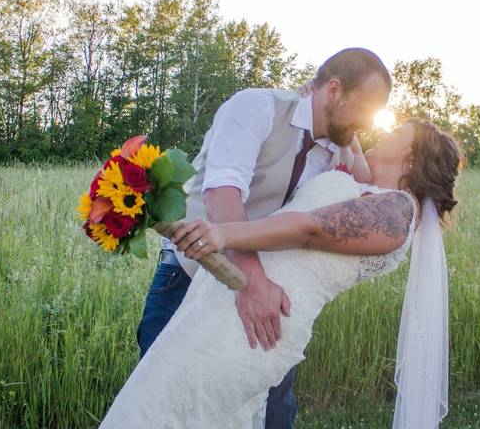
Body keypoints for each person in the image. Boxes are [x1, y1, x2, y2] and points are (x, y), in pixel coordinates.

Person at [103, 119, 462, 429]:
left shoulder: (398, 210)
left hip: (250, 327)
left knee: (165, 406)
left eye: (397, 133)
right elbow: (349, 137)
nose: (384, 133)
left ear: (412, 157)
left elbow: (311, 228)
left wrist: (223, 233)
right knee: (157, 402)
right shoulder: (371, 189)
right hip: (226, 308)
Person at [135, 47, 391, 429]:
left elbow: (372, 184)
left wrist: (350, 136)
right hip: (189, 278)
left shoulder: (336, 146)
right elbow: (222, 194)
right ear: (334, 90)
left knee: (272, 414)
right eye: (366, 109)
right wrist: (249, 283)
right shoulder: (255, 107)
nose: (369, 123)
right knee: (164, 406)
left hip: (266, 294)